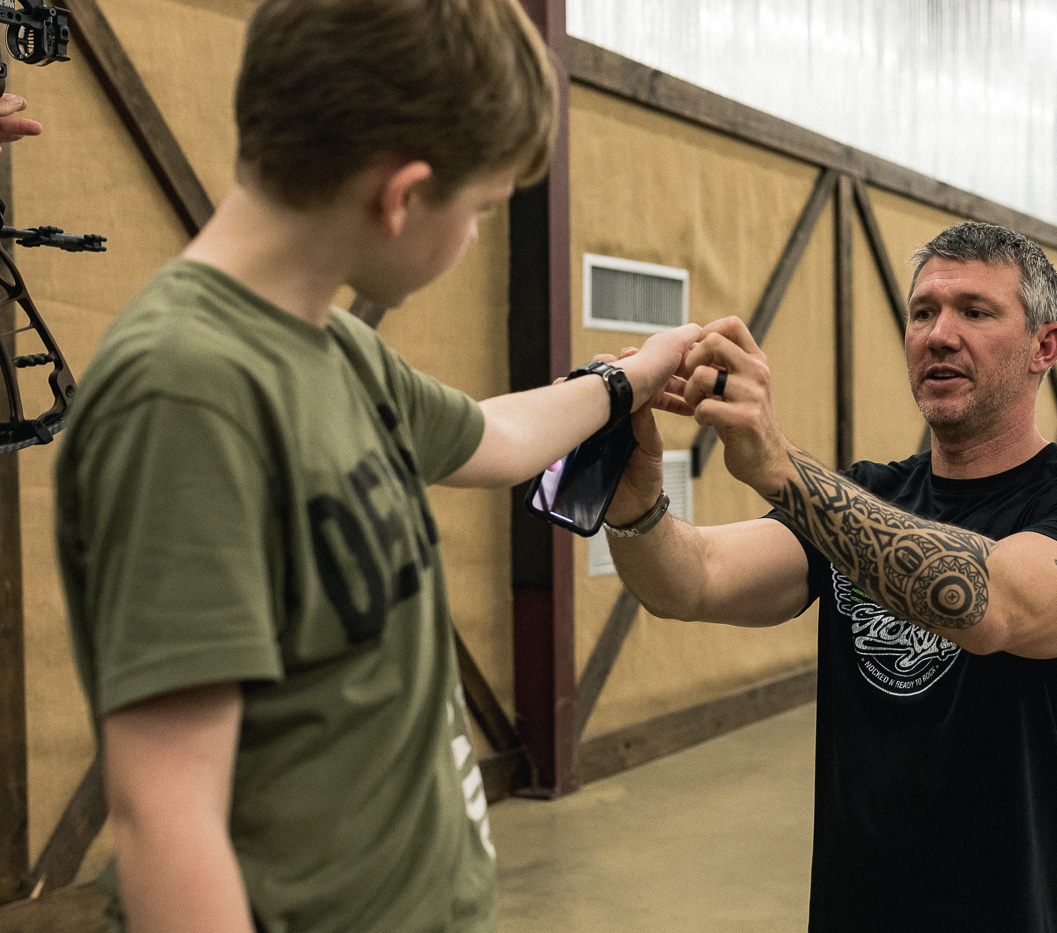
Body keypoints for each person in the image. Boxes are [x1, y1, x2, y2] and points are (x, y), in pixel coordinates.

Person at [53, 2, 697, 932]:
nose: (474, 235)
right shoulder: (185, 393)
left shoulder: (338, 350)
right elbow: (167, 821)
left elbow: (494, 436)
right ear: (401, 197)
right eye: (479, 210)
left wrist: (634, 375)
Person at [605, 222, 1057, 932]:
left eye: (975, 311)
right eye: (922, 312)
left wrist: (781, 468)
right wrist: (634, 502)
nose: (939, 335)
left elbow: (998, 604)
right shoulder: (864, 494)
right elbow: (692, 580)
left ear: (1044, 347)